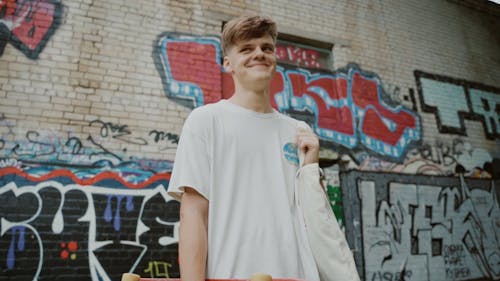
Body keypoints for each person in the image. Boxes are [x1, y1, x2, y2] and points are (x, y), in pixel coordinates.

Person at [168, 15, 323, 281]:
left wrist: (311, 169)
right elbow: (193, 212)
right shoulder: (206, 120)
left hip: (297, 275)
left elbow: (314, 219)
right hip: (230, 274)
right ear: (228, 63)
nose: (259, 54)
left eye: (266, 48)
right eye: (246, 49)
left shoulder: (299, 132)